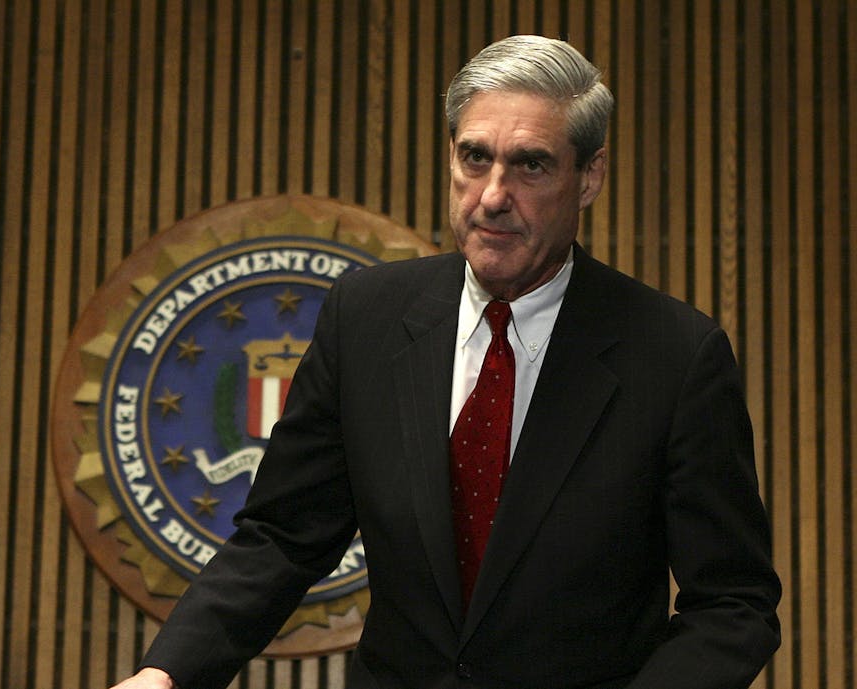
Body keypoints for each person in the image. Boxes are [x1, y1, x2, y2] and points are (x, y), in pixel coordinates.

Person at [110, 35, 781, 689]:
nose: (492, 195)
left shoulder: (674, 355)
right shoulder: (365, 317)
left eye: (531, 165)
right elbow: (283, 536)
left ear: (590, 177)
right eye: (475, 157)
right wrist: (166, 672)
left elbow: (732, 602)